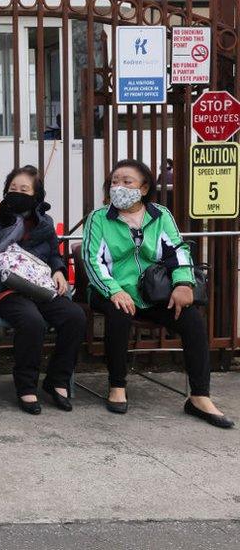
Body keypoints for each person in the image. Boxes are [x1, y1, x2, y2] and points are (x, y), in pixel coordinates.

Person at [81, 159, 233, 428]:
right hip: (110, 290)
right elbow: (92, 260)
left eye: (127, 181)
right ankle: (117, 385)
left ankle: (199, 396)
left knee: (192, 320)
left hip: (153, 293)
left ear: (144, 186)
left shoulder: (160, 215)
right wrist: (114, 290)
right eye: (115, 181)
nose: (119, 186)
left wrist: (183, 283)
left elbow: (178, 250)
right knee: (119, 314)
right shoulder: (99, 218)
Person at [0, 165, 86, 414]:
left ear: (36, 195)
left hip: (38, 286)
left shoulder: (44, 223)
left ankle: (57, 380)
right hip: (2, 288)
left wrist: (58, 270)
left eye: (24, 189)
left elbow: (54, 254)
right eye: (12, 188)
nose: (17, 192)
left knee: (74, 317)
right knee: (32, 320)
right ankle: (26, 386)